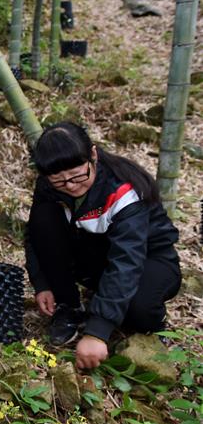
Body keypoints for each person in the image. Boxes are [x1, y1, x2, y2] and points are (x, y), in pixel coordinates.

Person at [25, 122, 181, 369]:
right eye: (60, 181)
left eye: (78, 176)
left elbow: (126, 261)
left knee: (139, 310)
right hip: (96, 251)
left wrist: (97, 332)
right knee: (44, 219)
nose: (71, 186)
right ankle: (69, 305)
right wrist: (43, 282)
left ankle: (151, 318)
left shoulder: (124, 191)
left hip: (149, 258)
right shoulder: (48, 186)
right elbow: (36, 233)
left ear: (93, 155)